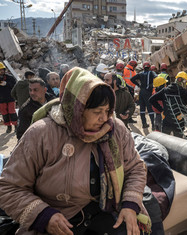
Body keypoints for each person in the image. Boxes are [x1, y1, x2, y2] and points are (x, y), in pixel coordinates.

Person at [0, 67, 150, 235]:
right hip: (59, 219)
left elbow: (135, 168)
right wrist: (43, 215)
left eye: (108, 111)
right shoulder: (42, 133)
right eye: (97, 112)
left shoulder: (115, 129)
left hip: (107, 210)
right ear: (77, 109)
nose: (104, 118)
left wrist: (130, 204)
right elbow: (9, 187)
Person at [149, 71, 187, 138]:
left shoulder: (165, 90)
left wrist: (161, 110)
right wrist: (182, 114)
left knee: (165, 140)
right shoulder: (184, 92)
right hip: (178, 121)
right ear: (184, 82)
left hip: (166, 120)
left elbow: (151, 99)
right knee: (178, 142)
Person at [131, 61, 157, 129]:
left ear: (143, 67)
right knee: (150, 108)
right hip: (148, 93)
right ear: (149, 67)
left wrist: (138, 84)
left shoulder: (140, 74)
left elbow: (132, 79)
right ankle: (153, 125)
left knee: (142, 108)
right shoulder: (151, 73)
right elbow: (156, 77)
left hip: (141, 92)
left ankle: (144, 124)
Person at [0, 62, 17, 133]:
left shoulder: (10, 77)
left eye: (2, 70)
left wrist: (7, 84)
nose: (1, 71)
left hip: (10, 98)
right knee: (4, 113)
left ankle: (16, 126)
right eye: (0, 70)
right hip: (1, 99)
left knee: (12, 112)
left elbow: (15, 85)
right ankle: (8, 127)